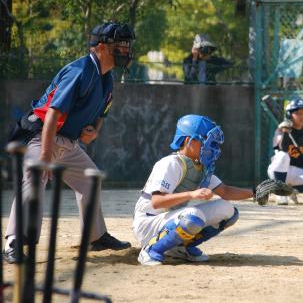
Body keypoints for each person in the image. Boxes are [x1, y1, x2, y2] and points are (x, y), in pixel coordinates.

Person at [3, 22, 135, 263]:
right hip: (41, 135)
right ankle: (13, 241)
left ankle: (95, 237)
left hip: (67, 142)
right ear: (102, 48)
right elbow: (52, 113)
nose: (126, 49)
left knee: (90, 180)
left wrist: (93, 131)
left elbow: (101, 115)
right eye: (120, 45)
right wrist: (44, 155)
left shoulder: (107, 77)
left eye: (127, 45)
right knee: (35, 177)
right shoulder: (80, 70)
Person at [133, 114, 254, 265]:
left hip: (168, 221)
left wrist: (255, 192)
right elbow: (157, 202)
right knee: (193, 217)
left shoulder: (201, 167)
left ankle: (181, 247)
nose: (212, 148)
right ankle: (150, 249)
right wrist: (191, 194)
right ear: (187, 140)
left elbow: (225, 191)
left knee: (229, 211)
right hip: (148, 223)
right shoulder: (171, 163)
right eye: (206, 141)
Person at [267, 98, 303, 205]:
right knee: (283, 155)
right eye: (297, 113)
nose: (302, 116)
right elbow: (282, 149)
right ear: (289, 115)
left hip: (299, 171)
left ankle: (291, 190)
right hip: (279, 170)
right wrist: (285, 132)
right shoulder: (280, 131)